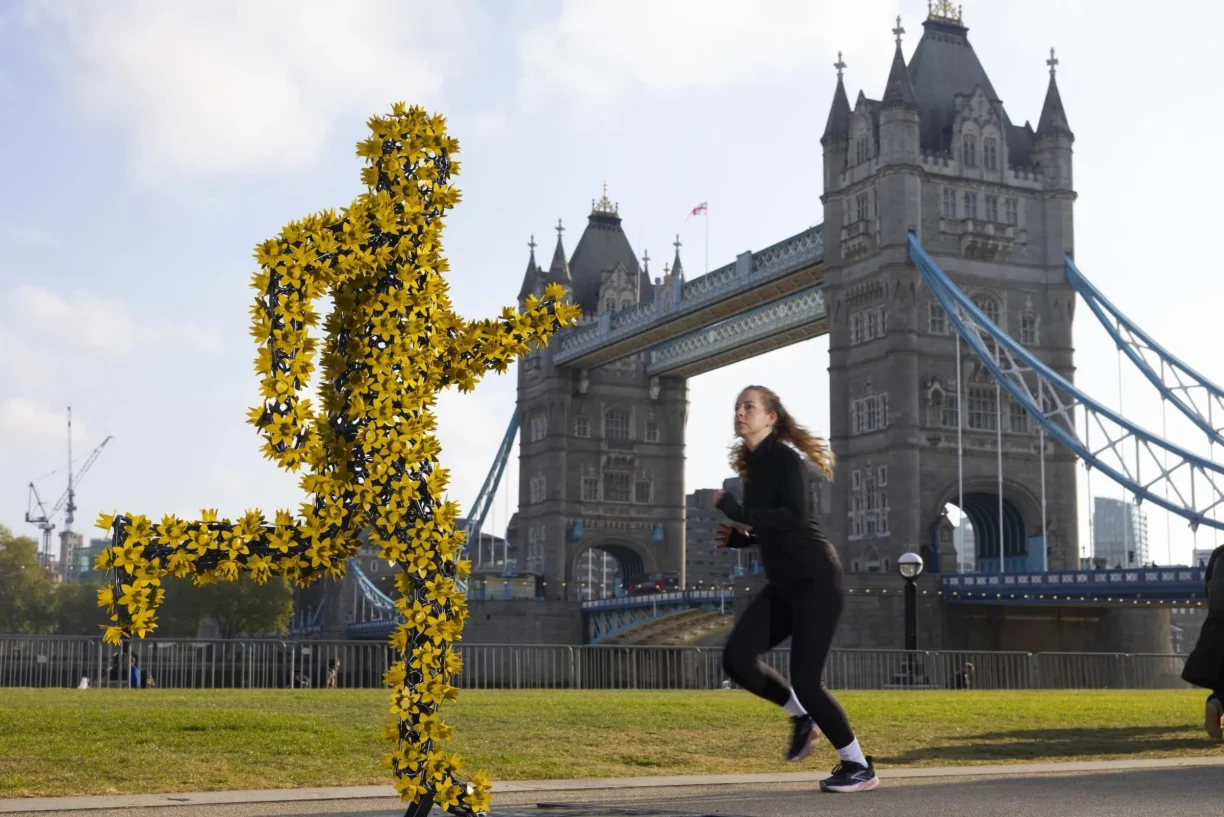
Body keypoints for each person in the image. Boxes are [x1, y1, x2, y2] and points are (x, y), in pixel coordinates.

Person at [714, 385, 878, 793]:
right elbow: (770, 525)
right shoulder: (755, 467)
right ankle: (801, 717)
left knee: (807, 679)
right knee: (736, 658)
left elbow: (794, 518)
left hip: (817, 581)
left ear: (770, 417)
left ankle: (858, 765)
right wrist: (743, 540)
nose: (740, 412)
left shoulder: (785, 460)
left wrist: (735, 511)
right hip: (784, 585)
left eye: (748, 406)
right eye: (737, 407)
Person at [1181, 543, 1224, 740]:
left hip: (1217, 621)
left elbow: (1208, 587)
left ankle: (1217, 702)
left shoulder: (1219, 553)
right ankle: (1218, 703)